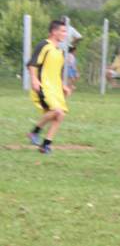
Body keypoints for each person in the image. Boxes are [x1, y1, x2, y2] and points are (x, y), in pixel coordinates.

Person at [26, 20, 72, 154]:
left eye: (65, 31)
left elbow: (55, 72)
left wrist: (63, 86)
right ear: (54, 31)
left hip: (55, 89)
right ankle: (35, 133)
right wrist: (34, 79)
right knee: (57, 112)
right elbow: (32, 64)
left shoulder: (60, 51)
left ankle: (45, 144)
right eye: (63, 31)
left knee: (60, 115)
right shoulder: (44, 45)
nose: (65, 34)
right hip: (43, 87)